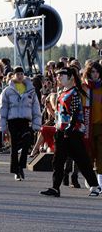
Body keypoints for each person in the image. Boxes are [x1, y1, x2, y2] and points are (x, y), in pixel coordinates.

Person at [40, 67, 101, 197]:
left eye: (62, 75)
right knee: (58, 160)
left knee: (81, 159)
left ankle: (95, 186)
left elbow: (75, 113)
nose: (58, 77)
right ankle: (55, 187)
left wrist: (69, 128)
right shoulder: (62, 92)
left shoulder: (74, 93)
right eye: (57, 75)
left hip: (72, 132)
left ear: (71, 77)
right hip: (62, 131)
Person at [0, 66, 42, 181]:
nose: (20, 76)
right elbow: (2, 108)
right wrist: (2, 125)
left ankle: (21, 166)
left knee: (27, 141)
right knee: (14, 146)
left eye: (22, 74)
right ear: (13, 75)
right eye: (17, 74)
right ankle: (16, 171)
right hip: (12, 120)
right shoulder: (7, 90)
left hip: (25, 120)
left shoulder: (30, 90)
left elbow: (36, 107)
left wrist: (37, 124)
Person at [82, 61, 102, 187]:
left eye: (97, 71)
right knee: (88, 154)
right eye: (92, 72)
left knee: (101, 154)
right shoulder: (83, 88)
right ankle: (89, 179)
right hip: (86, 126)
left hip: (100, 126)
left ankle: (100, 181)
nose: (94, 74)